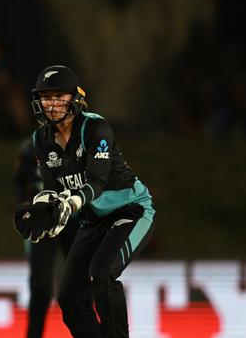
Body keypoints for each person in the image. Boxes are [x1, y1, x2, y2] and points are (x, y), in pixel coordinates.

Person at [13, 65, 155, 338]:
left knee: (102, 274)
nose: (51, 104)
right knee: (69, 298)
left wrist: (71, 204)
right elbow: (52, 189)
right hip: (92, 220)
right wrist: (46, 212)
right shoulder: (40, 139)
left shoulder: (95, 127)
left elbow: (97, 183)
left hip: (131, 211)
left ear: (75, 98)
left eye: (59, 96)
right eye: (45, 97)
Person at [12, 136, 77, 338]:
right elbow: (18, 182)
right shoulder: (28, 147)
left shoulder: (83, 142)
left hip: (74, 219)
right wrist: (26, 211)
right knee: (40, 287)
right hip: (41, 221)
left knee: (81, 285)